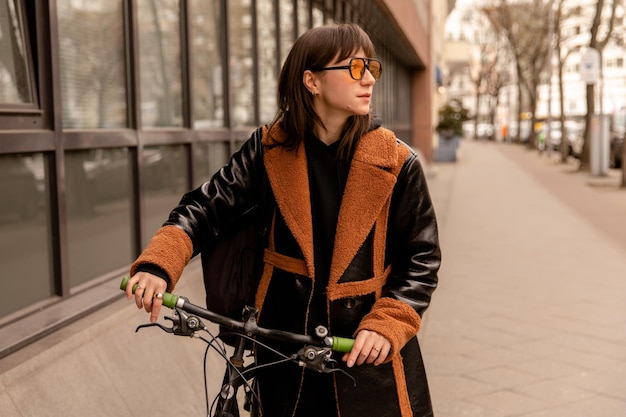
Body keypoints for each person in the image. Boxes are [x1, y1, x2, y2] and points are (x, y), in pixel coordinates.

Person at [125, 23, 441, 417]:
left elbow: (422, 259)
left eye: (371, 67)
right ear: (312, 81)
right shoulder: (268, 148)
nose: (369, 78)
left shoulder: (398, 162)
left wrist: (387, 323)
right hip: (284, 348)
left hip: (366, 352)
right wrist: (159, 264)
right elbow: (204, 208)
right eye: (354, 68)